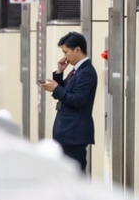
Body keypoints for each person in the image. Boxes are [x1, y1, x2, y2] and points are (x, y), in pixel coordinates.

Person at [38, 31, 98, 171]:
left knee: (74, 174)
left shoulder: (86, 72)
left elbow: (78, 99)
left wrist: (56, 88)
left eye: (66, 52)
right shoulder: (76, 71)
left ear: (77, 49)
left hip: (74, 134)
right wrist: (59, 73)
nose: (64, 56)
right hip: (67, 133)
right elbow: (65, 91)